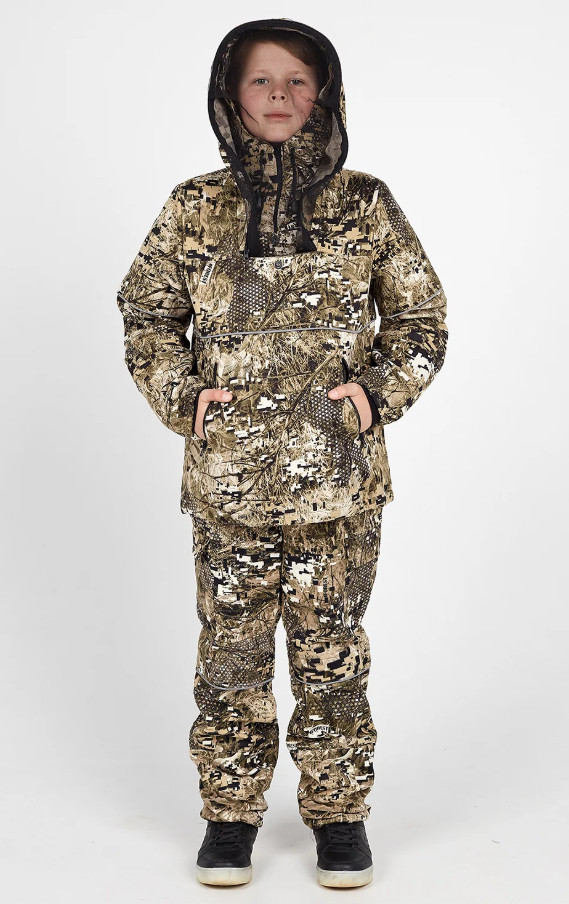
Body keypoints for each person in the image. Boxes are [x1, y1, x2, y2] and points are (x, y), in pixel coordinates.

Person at [116, 17, 448, 889]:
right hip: (227, 482)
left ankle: (339, 817)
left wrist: (375, 393)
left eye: (298, 80)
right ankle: (229, 818)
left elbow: (420, 319)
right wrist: (184, 396)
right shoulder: (193, 206)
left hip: (338, 486)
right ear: (230, 94)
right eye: (261, 79)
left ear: (324, 93)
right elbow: (146, 316)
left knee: (332, 655)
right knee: (230, 657)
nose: (279, 95)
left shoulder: (365, 203)